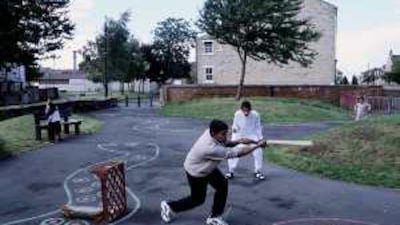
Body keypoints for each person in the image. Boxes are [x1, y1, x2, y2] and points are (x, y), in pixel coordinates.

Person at [161, 120, 267, 225]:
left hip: (206, 167)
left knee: (222, 185)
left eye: (226, 133)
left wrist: (251, 141)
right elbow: (238, 153)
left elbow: (227, 143)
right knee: (197, 200)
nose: (225, 136)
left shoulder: (212, 133)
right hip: (197, 172)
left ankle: (214, 217)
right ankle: (170, 206)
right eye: (223, 134)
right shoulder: (209, 148)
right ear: (213, 133)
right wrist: (257, 146)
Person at [225, 100, 265, 180]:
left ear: (250, 109)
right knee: (234, 151)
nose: (246, 113)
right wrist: (235, 131)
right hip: (240, 138)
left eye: (248, 111)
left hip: (252, 138)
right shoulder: (237, 114)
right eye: (244, 110)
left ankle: (258, 171)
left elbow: (258, 128)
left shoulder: (255, 115)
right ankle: (231, 171)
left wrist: (260, 139)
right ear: (241, 109)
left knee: (258, 151)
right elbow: (235, 126)